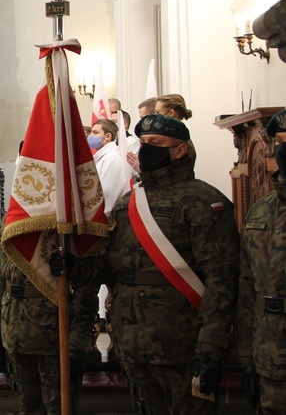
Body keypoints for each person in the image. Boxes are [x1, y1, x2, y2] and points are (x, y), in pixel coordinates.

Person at [100, 114, 240, 413]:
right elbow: (111, 268)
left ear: (180, 150)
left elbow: (222, 279)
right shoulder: (128, 204)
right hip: (133, 342)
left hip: (182, 342)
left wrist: (212, 343)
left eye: (157, 143)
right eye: (145, 143)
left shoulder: (203, 200)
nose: (147, 148)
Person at [0, 226, 95, 414]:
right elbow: (1, 280)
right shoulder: (12, 219)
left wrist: (77, 341)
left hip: (56, 338)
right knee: (28, 408)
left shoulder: (65, 216)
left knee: (59, 408)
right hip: (15, 333)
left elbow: (86, 289)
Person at [237, 109, 286, 414]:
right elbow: (247, 286)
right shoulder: (261, 209)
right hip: (271, 357)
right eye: (281, 140)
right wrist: (246, 356)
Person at [88, 119, 126, 218]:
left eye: (95, 132)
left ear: (108, 136)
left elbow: (106, 192)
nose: (90, 136)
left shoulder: (111, 159)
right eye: (91, 132)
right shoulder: (103, 157)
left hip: (104, 217)